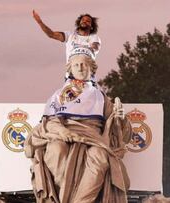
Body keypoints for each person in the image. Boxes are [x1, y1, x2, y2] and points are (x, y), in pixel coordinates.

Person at [24, 52, 132, 203]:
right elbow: (49, 122)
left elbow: (116, 128)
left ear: (91, 69)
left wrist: (120, 118)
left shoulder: (101, 97)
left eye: (84, 64)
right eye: (76, 65)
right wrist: (62, 131)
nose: (80, 68)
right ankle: (66, 196)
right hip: (65, 136)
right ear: (70, 69)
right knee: (56, 150)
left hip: (94, 140)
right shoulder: (58, 95)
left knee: (100, 156)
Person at [32, 10, 101, 62]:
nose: (84, 21)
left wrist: (91, 48)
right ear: (79, 22)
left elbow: (95, 47)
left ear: (92, 26)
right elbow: (51, 34)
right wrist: (40, 22)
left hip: (88, 75)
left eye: (88, 21)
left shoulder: (94, 37)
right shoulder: (69, 35)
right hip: (71, 76)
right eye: (82, 20)